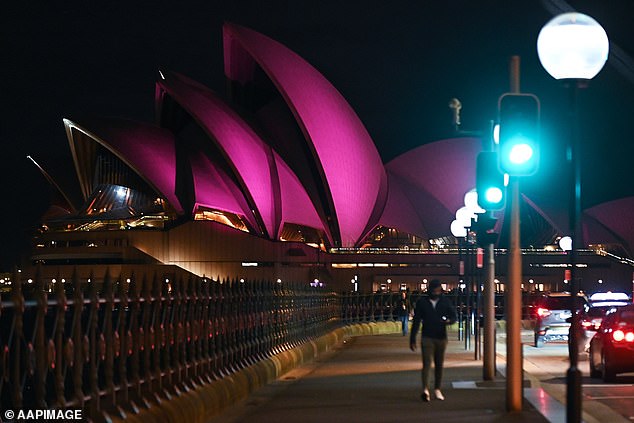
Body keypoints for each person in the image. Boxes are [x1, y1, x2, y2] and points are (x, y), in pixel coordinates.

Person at [409, 279, 457, 402]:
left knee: (439, 364)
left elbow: (454, 316)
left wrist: (448, 321)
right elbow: (417, 320)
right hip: (427, 336)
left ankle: (437, 389)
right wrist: (412, 338)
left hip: (441, 337)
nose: (436, 292)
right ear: (430, 290)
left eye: (438, 290)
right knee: (427, 364)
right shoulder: (422, 302)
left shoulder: (445, 301)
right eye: (434, 290)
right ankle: (425, 389)